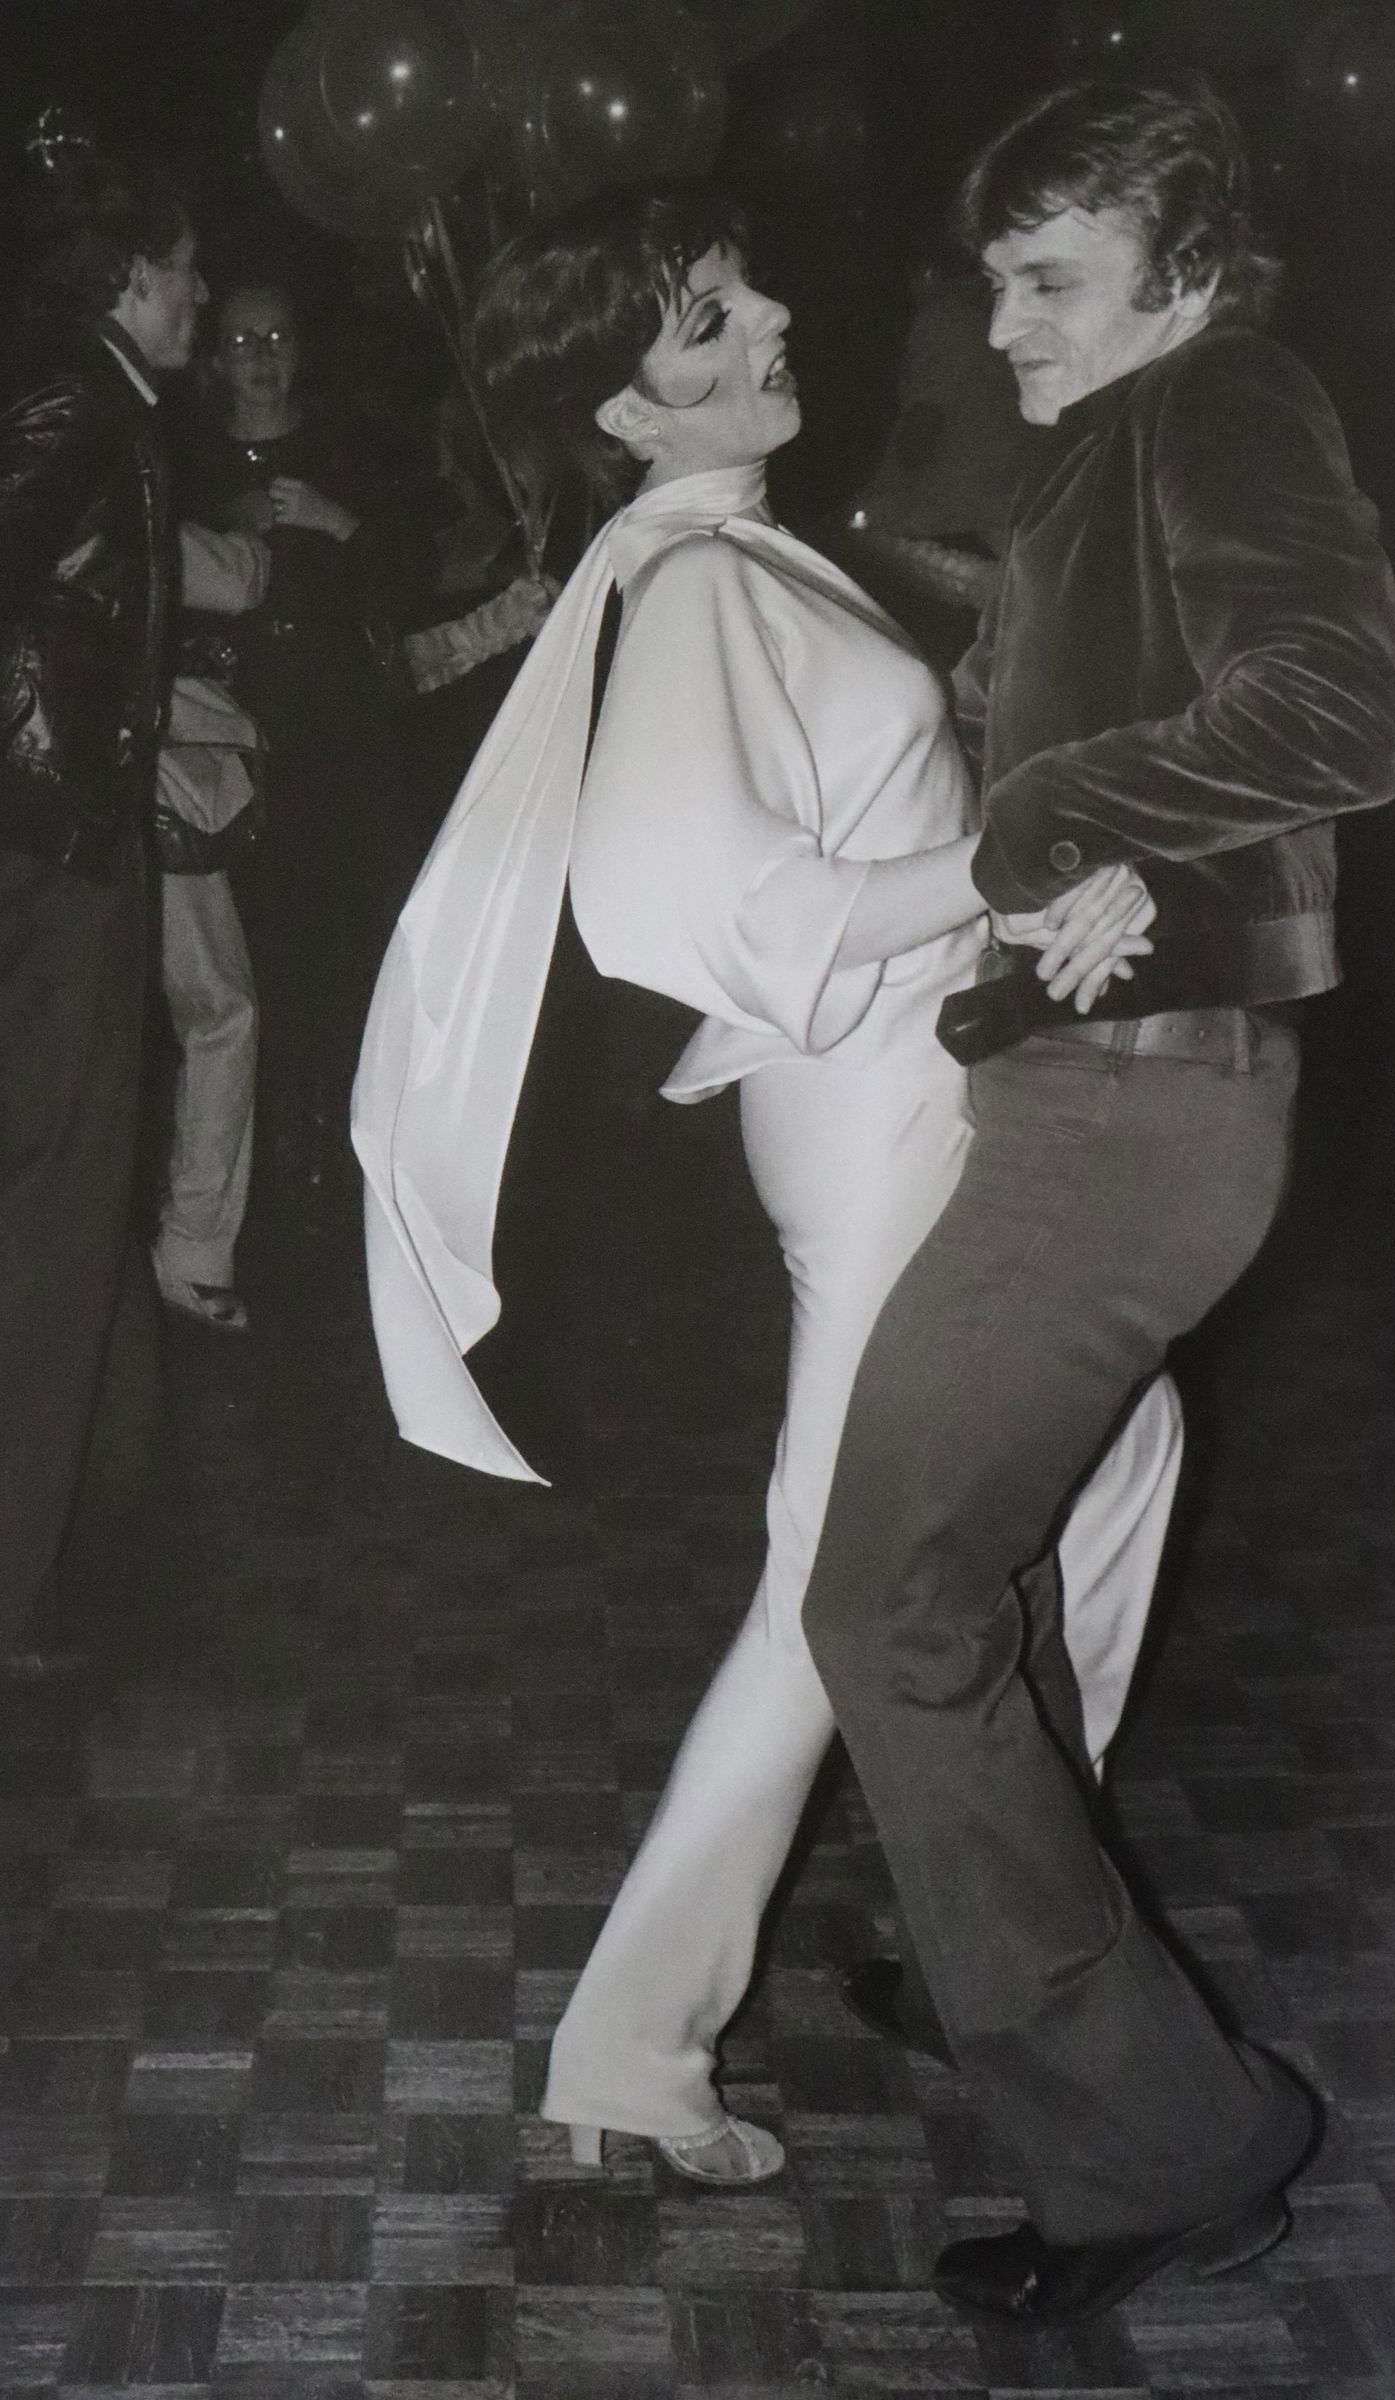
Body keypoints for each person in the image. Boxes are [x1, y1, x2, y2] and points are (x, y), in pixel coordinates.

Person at [353, 184, 1184, 2186]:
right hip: (876, 1111)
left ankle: (987, 1903)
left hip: (903, 1087)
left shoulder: (727, 554)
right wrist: (1001, 868)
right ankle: (637, 2047)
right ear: (623, 414)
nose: (774, 315)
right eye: (709, 320)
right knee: (837, 1581)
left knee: (1117, 1445)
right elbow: (676, 902)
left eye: (746, 288)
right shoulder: (695, 588)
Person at [795, 79, 1395, 2324]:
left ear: (1179, 276)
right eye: (992, 277)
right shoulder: (1120, 442)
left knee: (885, 1610)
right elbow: (1202, 744)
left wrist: (1053, 808)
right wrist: (1105, 846)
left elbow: (1336, 708)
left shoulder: (1227, 395)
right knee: (984, 1596)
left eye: (1047, 280)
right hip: (1101, 1101)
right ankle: (1010, 1976)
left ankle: (1170, 2143)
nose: (1001, 318)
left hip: (1137, 1132)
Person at [0, 161, 206, 1679]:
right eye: (187, 269)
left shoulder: (89, 394)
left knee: (83, 1181)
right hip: (55, 846)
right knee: (64, 1204)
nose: (202, 296)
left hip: (61, 830)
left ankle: (105, 1526)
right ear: (133, 276)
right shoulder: (83, 400)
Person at [179, 275, 427, 1210]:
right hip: (234, 728)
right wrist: (215, 533)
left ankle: (365, 1130)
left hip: (338, 723)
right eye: (242, 341)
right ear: (213, 358)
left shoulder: (343, 447)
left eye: (278, 337)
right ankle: (287, 1131)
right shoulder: (188, 456)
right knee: (257, 939)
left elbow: (411, 569)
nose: (263, 356)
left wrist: (336, 520)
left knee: (355, 924)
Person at [150, 522, 272, 1331]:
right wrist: (262, 542)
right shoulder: (85, 431)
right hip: (109, 767)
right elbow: (233, 579)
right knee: (221, 1013)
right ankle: (191, 1248)